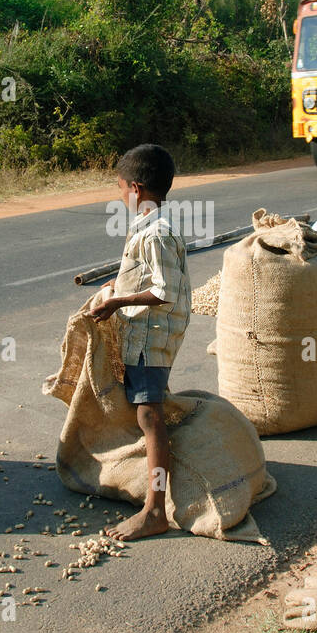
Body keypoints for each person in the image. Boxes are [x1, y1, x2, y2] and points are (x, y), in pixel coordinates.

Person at [88, 144, 191, 541]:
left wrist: (116, 302)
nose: (118, 196)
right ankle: (149, 488)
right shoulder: (147, 226)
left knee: (149, 416)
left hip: (153, 337)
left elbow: (164, 291)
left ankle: (156, 510)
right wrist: (118, 285)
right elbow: (144, 276)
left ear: (135, 187)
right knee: (146, 413)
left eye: (119, 188)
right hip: (145, 335)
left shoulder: (158, 233)